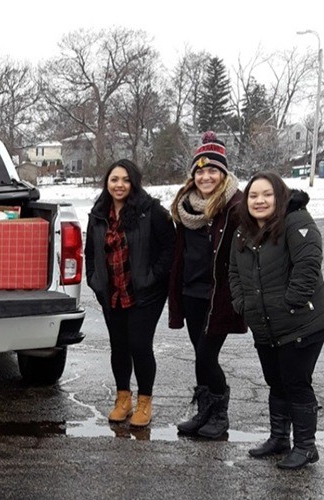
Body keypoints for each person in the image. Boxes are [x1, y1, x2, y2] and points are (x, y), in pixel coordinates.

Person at [229, 172, 323, 470]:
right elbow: (233, 272)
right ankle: (279, 438)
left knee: (296, 383)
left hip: (301, 323)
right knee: (275, 382)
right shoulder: (243, 231)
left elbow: (308, 265)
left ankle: (306, 447)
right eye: (253, 195)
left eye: (267, 194)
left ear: (279, 196)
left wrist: (290, 303)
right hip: (264, 324)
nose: (259, 201)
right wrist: (243, 304)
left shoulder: (296, 221)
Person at [85, 159, 176, 427]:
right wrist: (95, 280)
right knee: (119, 346)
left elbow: (169, 249)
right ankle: (122, 399)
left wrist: (152, 277)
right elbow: (90, 253)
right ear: (107, 183)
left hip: (144, 293)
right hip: (112, 292)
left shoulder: (152, 212)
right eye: (114, 179)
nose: (119, 185)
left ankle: (145, 402)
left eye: (125, 180)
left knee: (139, 344)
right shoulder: (98, 214)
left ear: (134, 182)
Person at [168, 131, 246, 439]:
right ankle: (204, 413)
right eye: (200, 171)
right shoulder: (186, 208)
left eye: (213, 170)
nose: (206, 176)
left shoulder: (236, 206)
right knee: (199, 353)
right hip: (191, 294)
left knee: (206, 355)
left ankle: (220, 416)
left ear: (223, 173)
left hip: (220, 297)